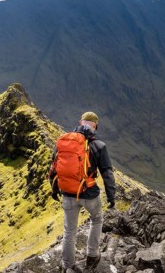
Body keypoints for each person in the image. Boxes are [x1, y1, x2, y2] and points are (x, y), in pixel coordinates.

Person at [48, 111, 117, 272]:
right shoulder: (99, 145)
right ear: (95, 126)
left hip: (67, 193)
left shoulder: (64, 142)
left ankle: (67, 266)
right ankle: (92, 255)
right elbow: (107, 172)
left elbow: (54, 167)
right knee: (97, 220)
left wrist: (54, 188)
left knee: (69, 232)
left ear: (80, 123)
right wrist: (111, 196)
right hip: (89, 194)